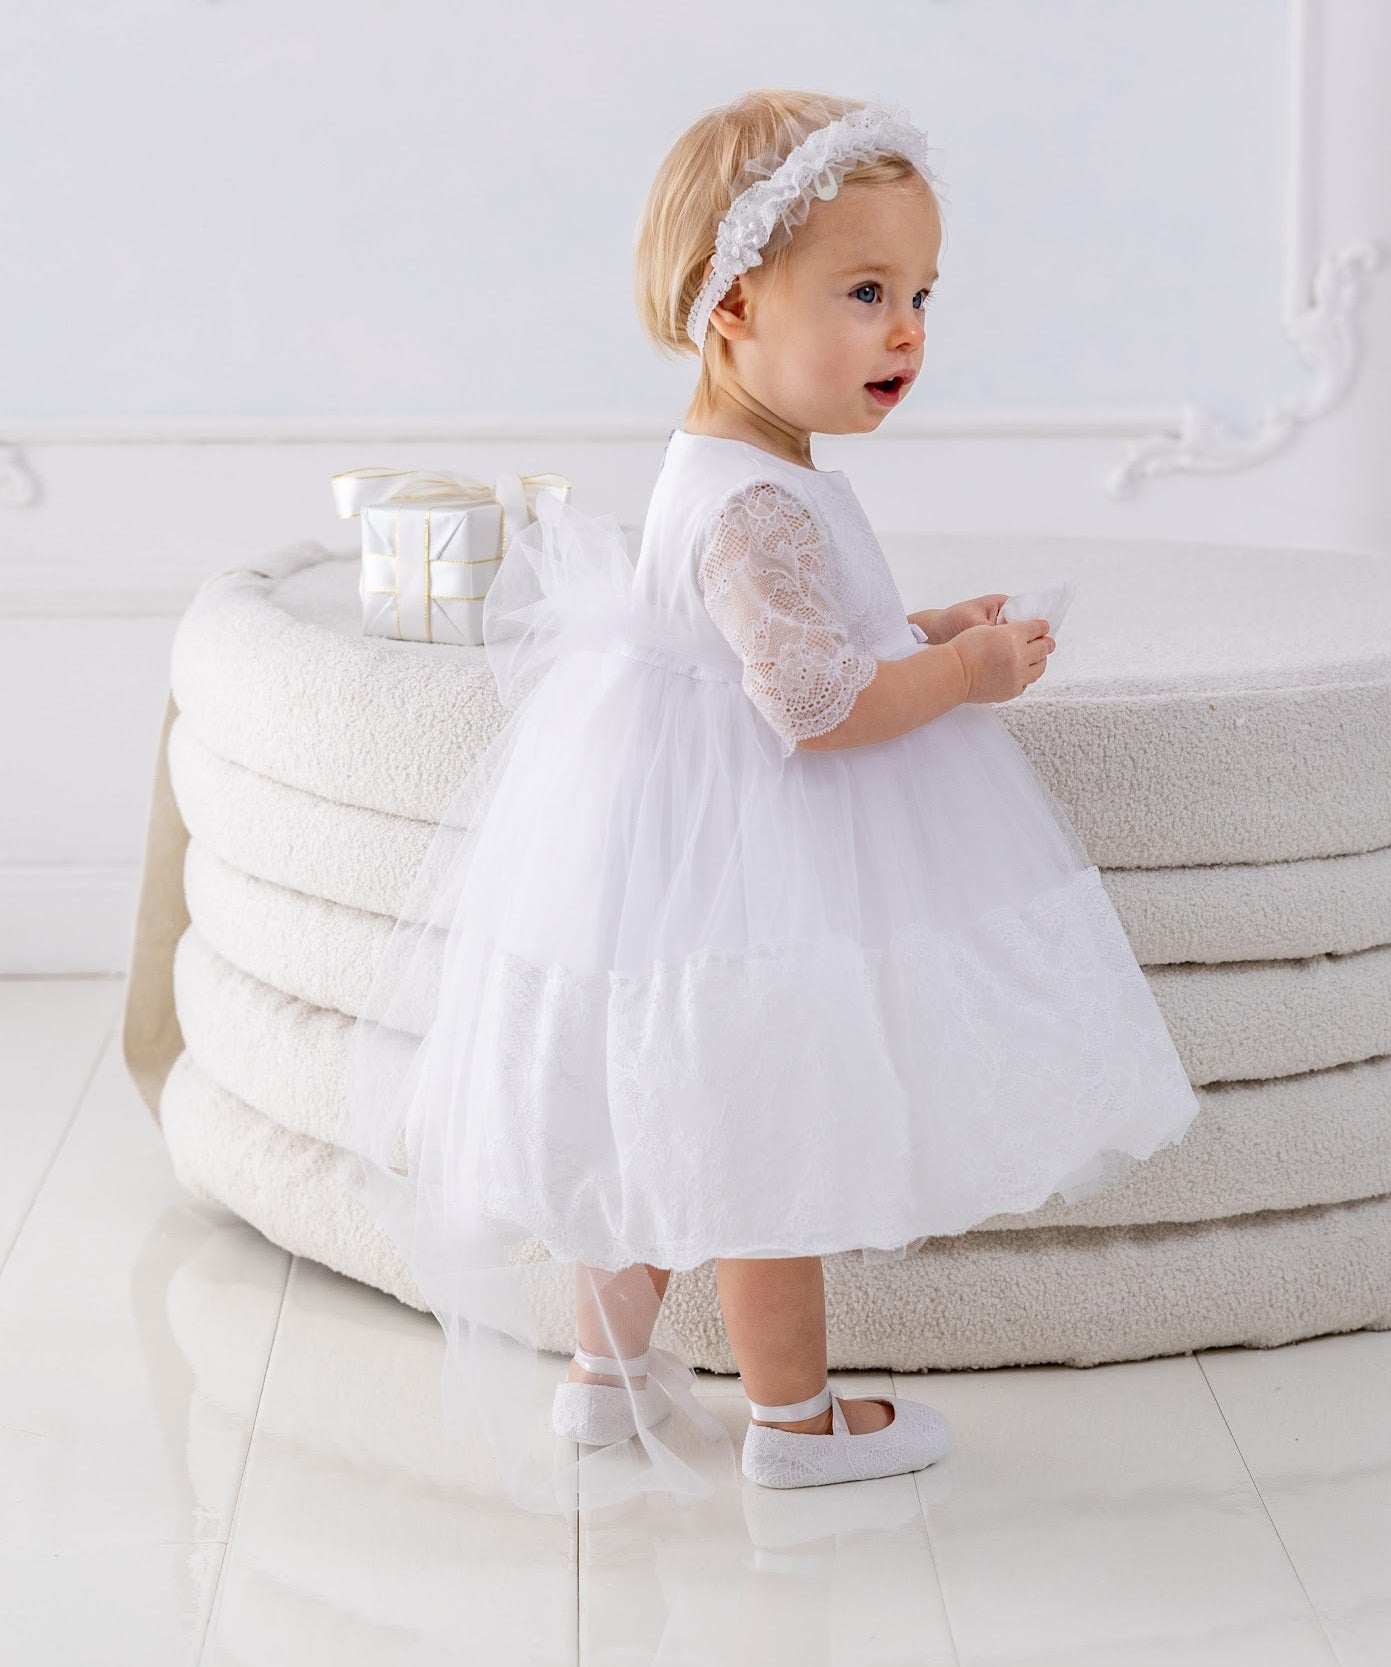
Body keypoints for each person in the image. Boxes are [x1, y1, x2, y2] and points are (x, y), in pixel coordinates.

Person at [345, 90, 1201, 1515]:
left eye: (920, 294)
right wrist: (973, 670)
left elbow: (798, 639)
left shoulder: (747, 464)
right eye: (864, 293)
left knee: (648, 1119)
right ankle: (794, 1421)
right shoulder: (755, 501)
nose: (909, 331)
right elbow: (815, 708)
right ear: (734, 304)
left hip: (669, 847)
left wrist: (919, 624)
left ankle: (603, 1383)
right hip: (754, 854)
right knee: (757, 1139)